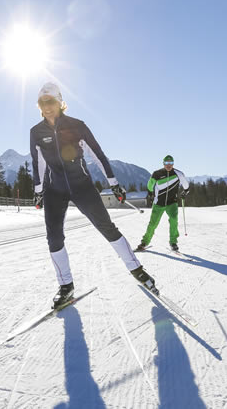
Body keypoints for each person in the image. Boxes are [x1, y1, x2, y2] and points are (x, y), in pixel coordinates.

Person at [31, 82, 156, 308]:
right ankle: (66, 286)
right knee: (54, 237)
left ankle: (136, 269)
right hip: (54, 189)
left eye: (50, 102)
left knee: (106, 226)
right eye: (42, 103)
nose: (47, 107)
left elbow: (98, 154)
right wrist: (38, 190)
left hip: (82, 186)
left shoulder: (77, 126)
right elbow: (37, 162)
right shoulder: (36, 132)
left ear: (60, 103)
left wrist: (114, 183)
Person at [136, 155, 189, 252]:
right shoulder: (157, 174)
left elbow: (186, 185)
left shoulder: (178, 174)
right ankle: (144, 242)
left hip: (172, 203)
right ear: (163, 163)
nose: (169, 165)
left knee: (174, 220)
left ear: (173, 164)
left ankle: (173, 242)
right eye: (167, 163)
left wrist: (185, 192)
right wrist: (151, 192)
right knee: (153, 224)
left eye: (171, 163)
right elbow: (149, 185)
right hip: (158, 203)